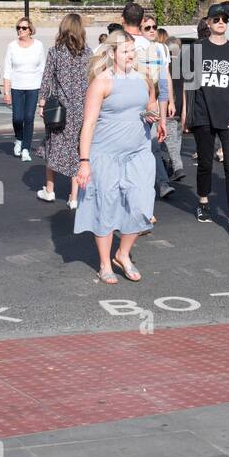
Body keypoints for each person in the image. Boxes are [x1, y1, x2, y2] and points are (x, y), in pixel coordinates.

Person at [73, 31, 162, 283]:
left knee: (141, 204)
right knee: (106, 207)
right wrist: (84, 162)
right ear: (112, 54)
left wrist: (151, 115)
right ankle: (104, 264)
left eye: (132, 50)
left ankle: (123, 254)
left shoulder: (143, 79)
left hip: (139, 153)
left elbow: (150, 105)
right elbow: (88, 124)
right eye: (125, 51)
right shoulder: (101, 82)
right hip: (106, 155)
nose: (131, 55)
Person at [184, 3, 229, 237]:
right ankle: (203, 201)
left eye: (224, 19)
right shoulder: (195, 49)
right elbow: (187, 85)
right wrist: (185, 114)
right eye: (216, 19)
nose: (220, 22)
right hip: (202, 114)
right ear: (208, 23)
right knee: (205, 163)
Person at [37, 13, 92, 208]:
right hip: (82, 108)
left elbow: (46, 79)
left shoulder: (55, 52)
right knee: (78, 150)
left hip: (60, 109)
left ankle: (50, 190)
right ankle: (74, 197)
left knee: (53, 145)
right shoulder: (88, 53)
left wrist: (42, 103)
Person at [122, 2, 174, 196]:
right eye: (148, 27)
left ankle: (158, 185)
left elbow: (163, 81)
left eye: (154, 27)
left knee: (150, 149)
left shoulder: (158, 49)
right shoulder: (126, 46)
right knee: (141, 150)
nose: (152, 30)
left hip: (146, 105)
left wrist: (165, 110)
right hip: (130, 107)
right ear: (140, 27)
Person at [3, 16, 45, 162]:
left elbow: (42, 69)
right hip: (16, 87)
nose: (20, 30)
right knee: (17, 118)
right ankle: (19, 139)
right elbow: (7, 70)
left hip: (33, 87)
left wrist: (43, 95)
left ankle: (26, 149)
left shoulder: (38, 45)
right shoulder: (12, 46)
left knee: (28, 118)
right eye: (18, 28)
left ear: (30, 30)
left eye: (24, 28)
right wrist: (6, 92)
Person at [162, 35, 187, 183]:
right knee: (176, 139)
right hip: (181, 107)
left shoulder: (166, 66)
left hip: (170, 106)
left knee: (171, 141)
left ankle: (177, 167)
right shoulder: (184, 65)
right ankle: (174, 167)